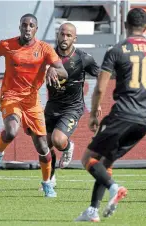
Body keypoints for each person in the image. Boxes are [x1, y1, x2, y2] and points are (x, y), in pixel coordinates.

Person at [75, 8, 146, 222]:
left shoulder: (117, 50)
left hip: (122, 115)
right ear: (145, 28)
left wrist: (94, 114)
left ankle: (114, 188)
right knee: (105, 162)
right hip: (144, 120)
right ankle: (92, 211)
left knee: (87, 158)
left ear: (125, 26)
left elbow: (100, 87)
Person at [0, 13, 68, 198]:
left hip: (32, 102)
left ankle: (47, 184)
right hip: (11, 96)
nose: (27, 28)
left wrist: (53, 68)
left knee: (42, 148)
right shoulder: (7, 45)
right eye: (24, 24)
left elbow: (63, 72)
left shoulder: (45, 49)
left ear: (36, 29)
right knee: (11, 131)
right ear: (20, 27)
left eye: (31, 25)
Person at [44, 22, 100, 187]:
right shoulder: (48, 55)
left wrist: (97, 101)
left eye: (69, 35)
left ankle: (68, 147)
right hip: (52, 106)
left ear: (75, 38)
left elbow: (101, 76)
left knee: (58, 140)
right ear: (57, 35)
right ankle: (50, 178)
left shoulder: (84, 58)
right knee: (45, 145)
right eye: (62, 34)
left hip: (72, 107)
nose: (64, 38)